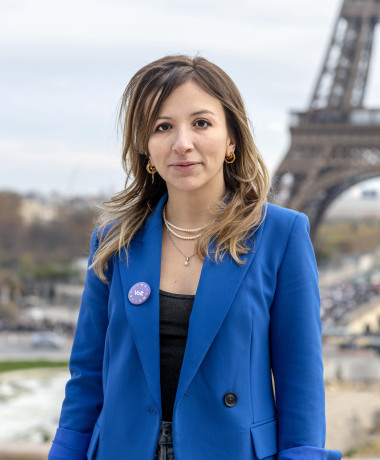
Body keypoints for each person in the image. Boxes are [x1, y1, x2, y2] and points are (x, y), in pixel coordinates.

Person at [48, 55, 342, 460]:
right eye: (162, 126)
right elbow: (86, 379)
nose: (182, 143)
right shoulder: (114, 242)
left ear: (232, 140)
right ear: (146, 148)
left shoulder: (281, 235)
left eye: (201, 123)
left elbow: (301, 381)